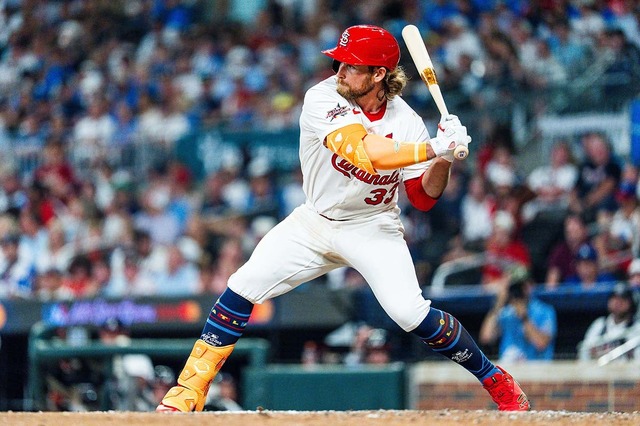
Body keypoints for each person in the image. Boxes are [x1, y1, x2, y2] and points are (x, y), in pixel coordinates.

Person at [156, 25, 529, 413]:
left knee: (409, 313)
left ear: (378, 74)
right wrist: (433, 146)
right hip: (315, 221)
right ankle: (187, 393)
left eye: (351, 66)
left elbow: (423, 197)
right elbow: (364, 153)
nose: (340, 71)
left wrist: (445, 158)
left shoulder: (407, 121)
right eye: (339, 62)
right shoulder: (322, 97)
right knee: (242, 285)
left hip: (372, 225)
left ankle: (495, 379)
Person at [480, 271, 557, 363]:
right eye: (514, 287)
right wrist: (498, 304)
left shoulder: (544, 310)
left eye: (521, 286)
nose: (518, 290)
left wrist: (524, 317)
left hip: (535, 366)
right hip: (508, 367)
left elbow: (541, 344)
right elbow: (486, 337)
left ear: (530, 285)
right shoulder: (505, 312)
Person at [578, 283, 640, 362]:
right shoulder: (600, 325)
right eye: (614, 299)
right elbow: (583, 352)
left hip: (628, 369)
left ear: (632, 303)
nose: (617, 303)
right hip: (600, 368)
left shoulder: (637, 328)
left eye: (623, 299)